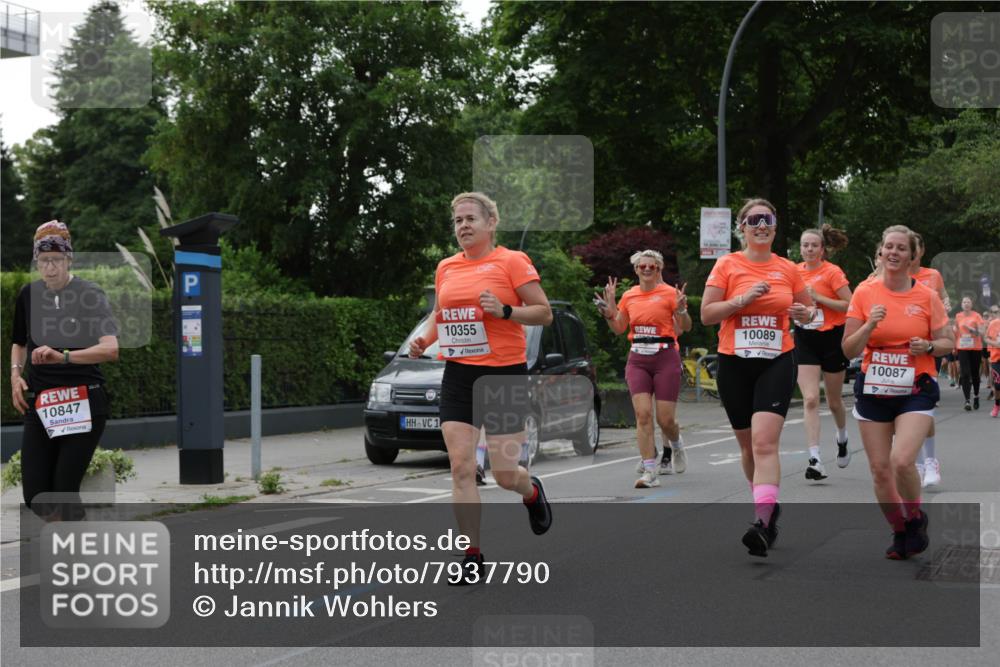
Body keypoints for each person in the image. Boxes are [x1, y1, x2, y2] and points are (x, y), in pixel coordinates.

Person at [408, 192, 553, 584]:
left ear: (491, 223)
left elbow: (544, 312)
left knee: (506, 475)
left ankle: (531, 492)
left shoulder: (511, 261)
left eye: (470, 219)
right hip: (458, 374)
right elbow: (442, 315)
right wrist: (426, 339)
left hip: (503, 374)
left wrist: (506, 311)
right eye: (457, 221)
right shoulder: (446, 268)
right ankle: (471, 554)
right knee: (461, 467)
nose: (463, 226)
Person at [701, 199, 816, 557]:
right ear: (743, 227)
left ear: (776, 226)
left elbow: (810, 311)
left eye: (768, 219)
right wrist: (741, 300)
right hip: (734, 362)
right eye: (754, 220)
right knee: (748, 446)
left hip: (776, 360)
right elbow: (706, 314)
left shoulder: (788, 269)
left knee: (766, 443)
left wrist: (804, 312)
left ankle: (763, 521)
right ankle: (766, 504)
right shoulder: (727, 265)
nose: (761, 225)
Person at [842, 225, 953, 560]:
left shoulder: (927, 296)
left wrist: (930, 345)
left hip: (915, 387)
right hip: (874, 386)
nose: (893, 252)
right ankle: (900, 529)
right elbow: (848, 349)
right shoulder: (864, 293)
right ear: (881, 252)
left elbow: (947, 342)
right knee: (879, 469)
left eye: (901, 248)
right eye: (888, 246)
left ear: (911, 256)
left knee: (902, 460)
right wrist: (868, 326)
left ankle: (916, 517)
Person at [10, 221, 120, 521]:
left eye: (57, 261)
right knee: (35, 495)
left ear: (69, 259)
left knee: (64, 490)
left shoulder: (89, 294)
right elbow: (19, 342)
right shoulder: (28, 295)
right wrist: (15, 377)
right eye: (44, 261)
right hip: (43, 403)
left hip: (83, 401)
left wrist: (64, 356)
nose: (50, 269)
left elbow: (111, 349)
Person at [597, 250, 692, 488]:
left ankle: (677, 444)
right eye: (642, 267)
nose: (647, 270)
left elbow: (685, 327)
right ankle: (650, 470)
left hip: (665, 356)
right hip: (638, 358)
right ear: (636, 270)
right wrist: (610, 312)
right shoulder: (629, 296)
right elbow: (619, 328)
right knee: (642, 415)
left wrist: (681, 309)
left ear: (659, 270)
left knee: (665, 419)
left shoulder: (671, 293)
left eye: (652, 267)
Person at [794, 225, 853, 481]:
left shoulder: (832, 272)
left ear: (822, 249)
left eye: (813, 245)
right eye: (805, 245)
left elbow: (849, 305)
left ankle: (842, 437)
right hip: (804, 338)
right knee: (809, 399)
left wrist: (819, 297)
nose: (809, 249)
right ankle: (815, 458)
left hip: (831, 338)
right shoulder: (793, 272)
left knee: (834, 401)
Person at [954, 296, 985, 411]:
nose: (966, 304)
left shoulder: (977, 316)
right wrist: (954, 345)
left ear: (971, 304)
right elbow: (956, 332)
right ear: (961, 304)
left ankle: (976, 396)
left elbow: (981, 333)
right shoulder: (958, 316)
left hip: (975, 348)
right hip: (962, 347)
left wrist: (971, 329)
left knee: (975, 374)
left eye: (968, 302)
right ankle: (967, 400)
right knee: (965, 373)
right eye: (964, 302)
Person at [985, 305, 1000, 418]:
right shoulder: (994, 323)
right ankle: (997, 405)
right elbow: (986, 338)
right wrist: (996, 344)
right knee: (998, 385)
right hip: (997, 357)